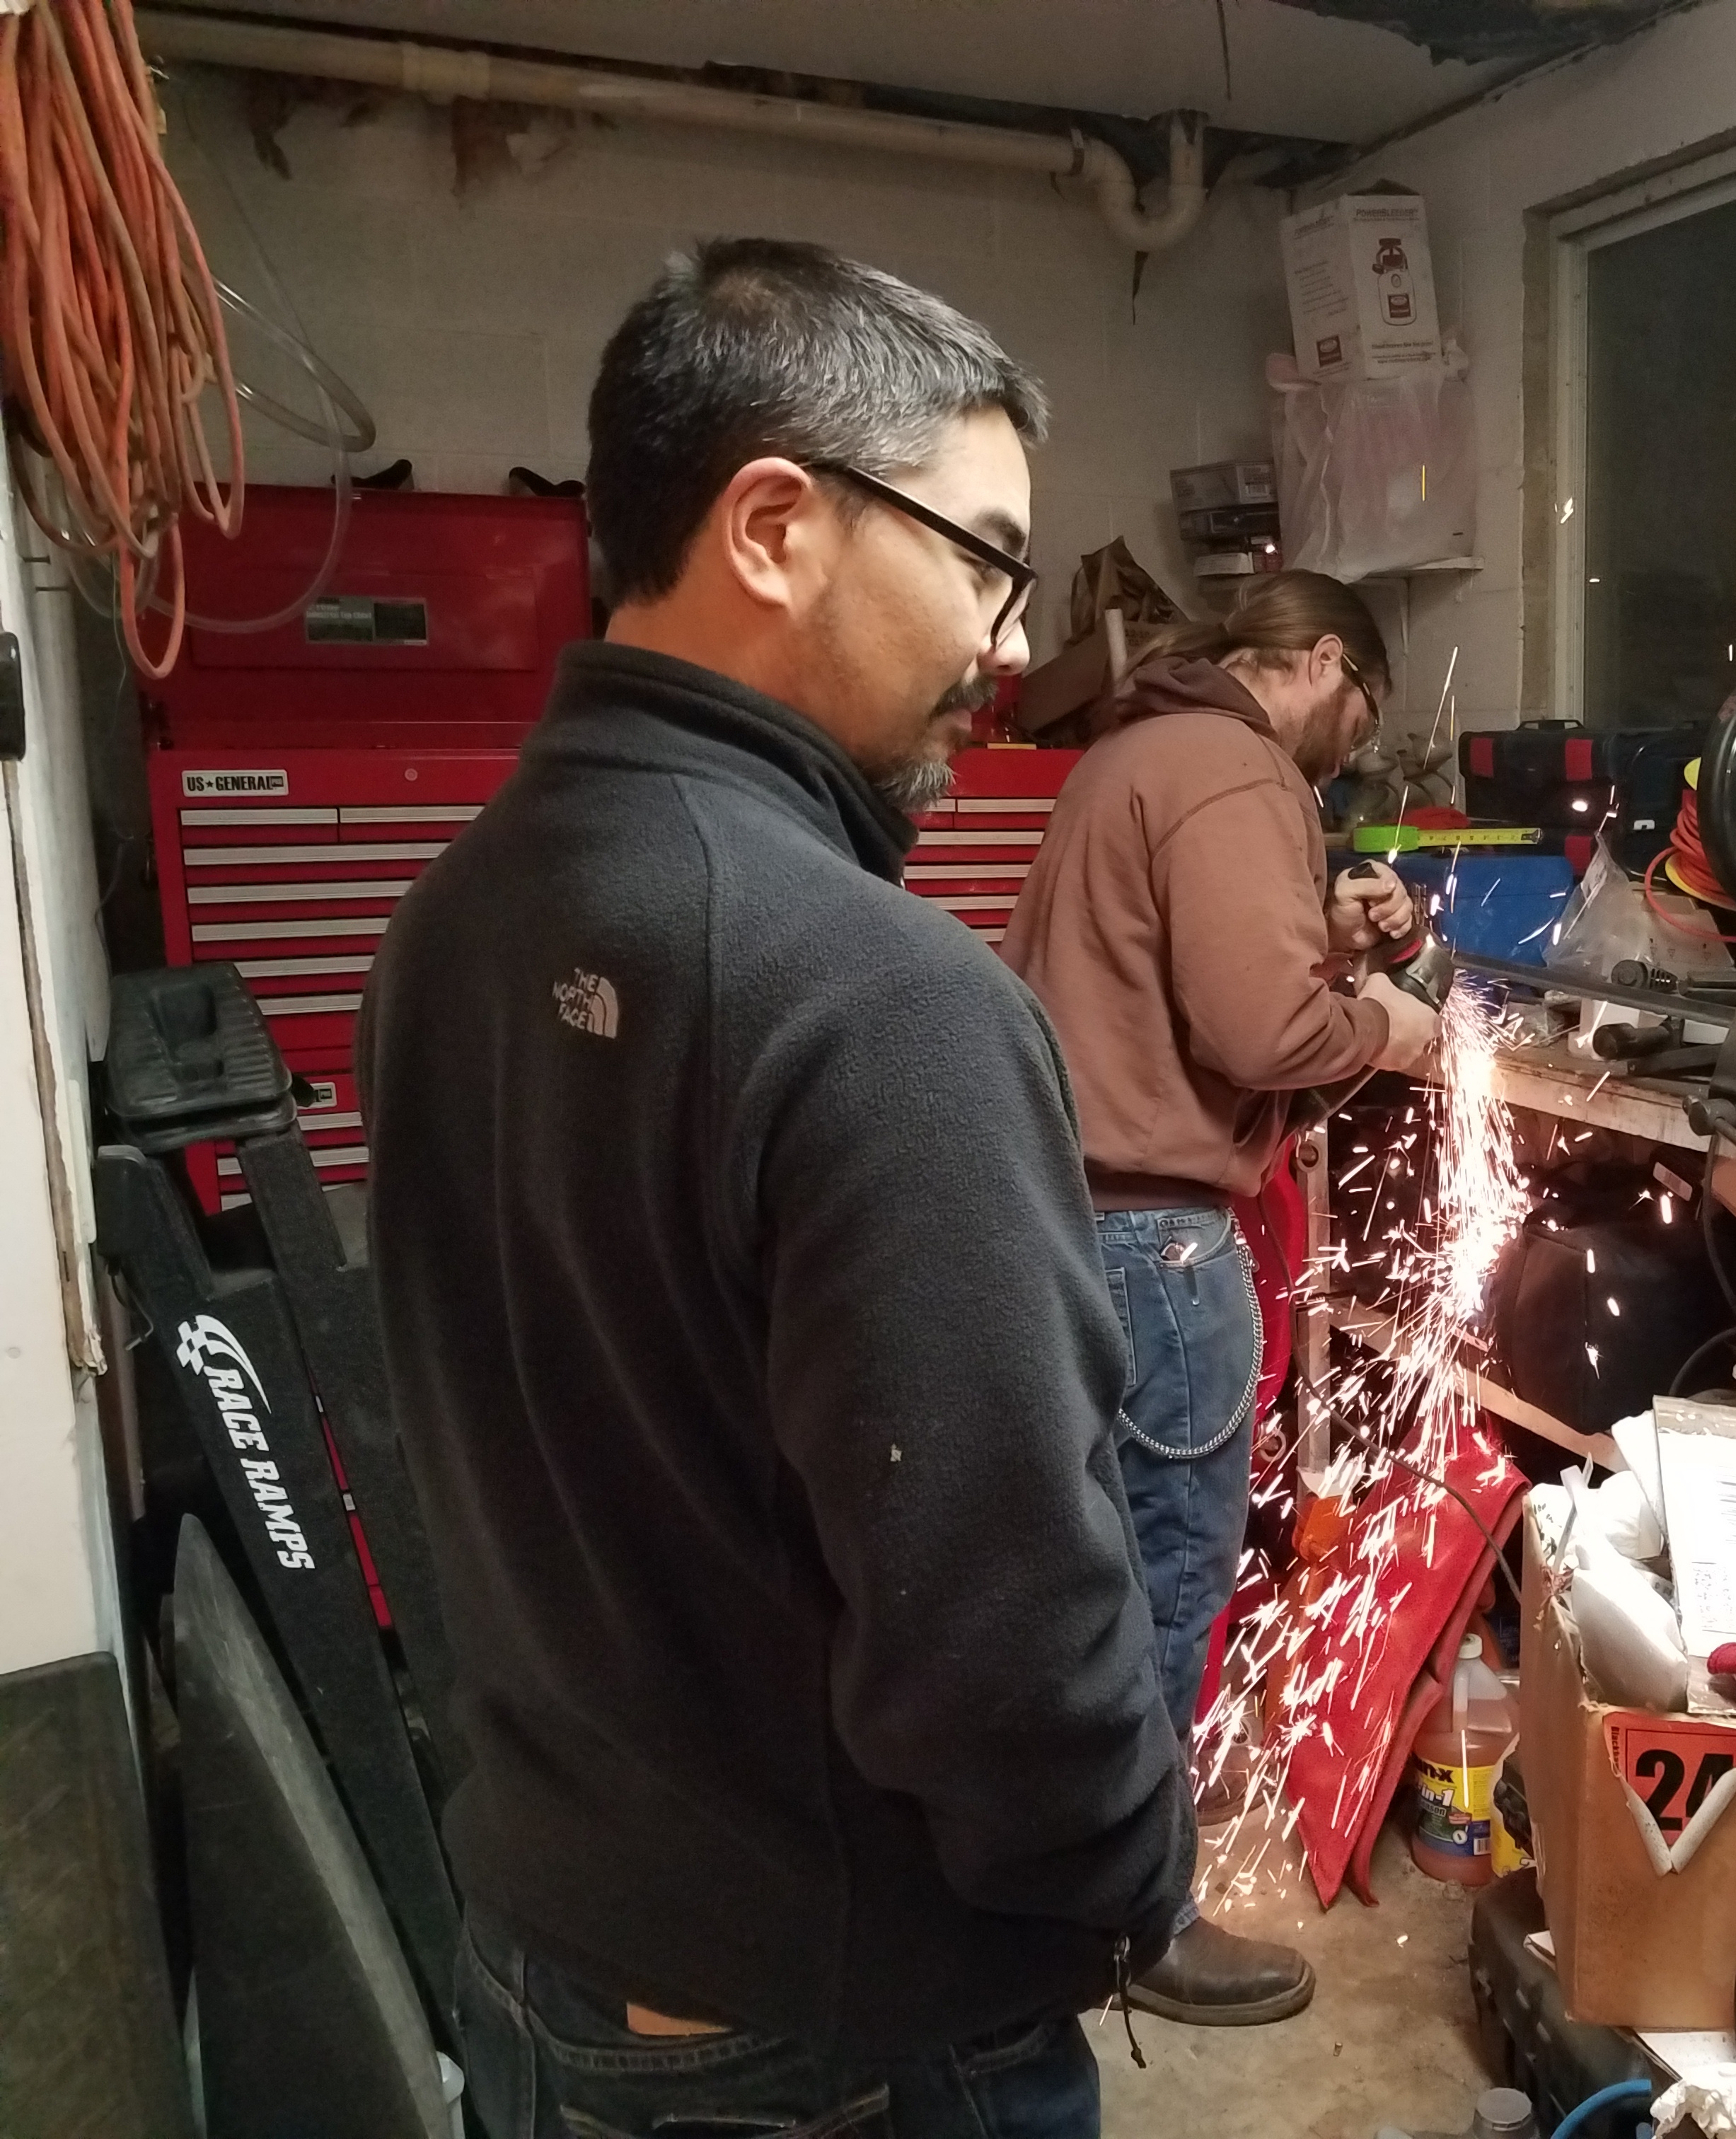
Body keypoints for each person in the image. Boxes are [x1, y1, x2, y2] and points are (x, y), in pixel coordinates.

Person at [361, 238, 1191, 2139]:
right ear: (773, 528)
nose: (1011, 644)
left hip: (545, 1956)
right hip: (839, 2037)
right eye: (985, 560)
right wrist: (1130, 1879)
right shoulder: (881, 1003)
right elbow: (1004, 1643)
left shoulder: (451, 919)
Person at [1001, 571, 1442, 2027]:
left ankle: (1074, 1887)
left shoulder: (1134, 752)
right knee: (1172, 1584)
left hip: (1069, 1218)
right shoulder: (1241, 771)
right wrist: (1389, 1022)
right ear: (1320, 660)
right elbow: (1260, 1033)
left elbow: (1172, 979)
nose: (1353, 745)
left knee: (1096, 1585)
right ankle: (1146, 1923)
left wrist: (1330, 938)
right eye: (1361, 711)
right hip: (1158, 1244)